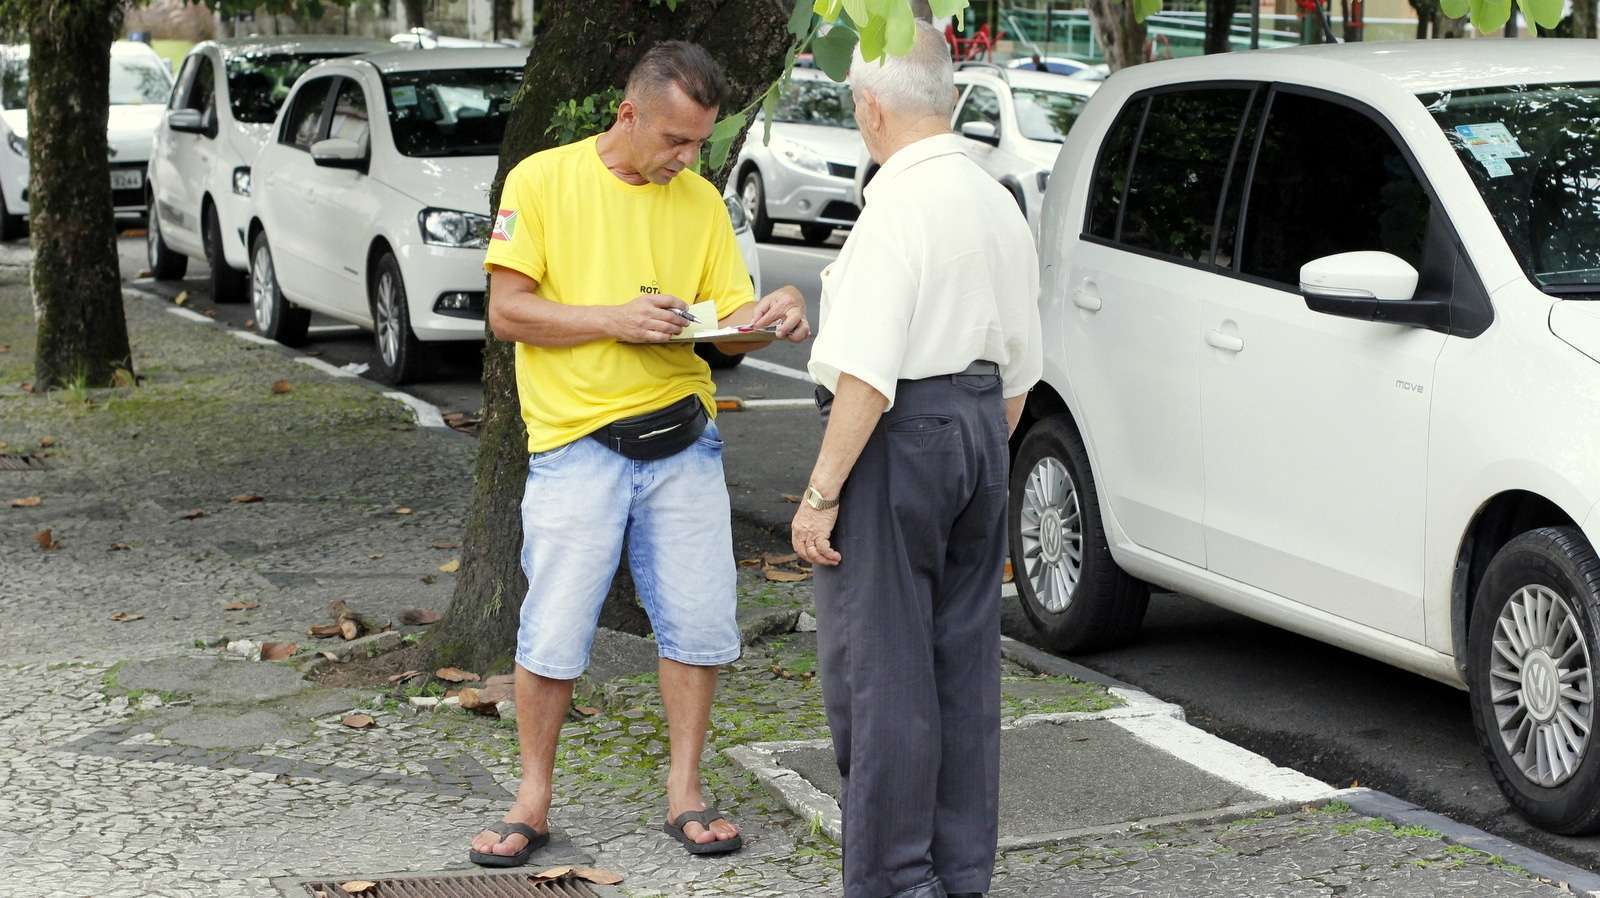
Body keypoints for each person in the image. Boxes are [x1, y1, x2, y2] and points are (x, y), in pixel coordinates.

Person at [470, 40, 812, 867]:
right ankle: (531, 799)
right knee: (552, 631)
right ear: (629, 115)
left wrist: (771, 313)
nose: (689, 159)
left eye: (699, 142)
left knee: (699, 625)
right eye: (675, 140)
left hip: (682, 442)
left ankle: (686, 792)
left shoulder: (699, 202)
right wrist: (612, 319)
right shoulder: (542, 181)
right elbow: (507, 313)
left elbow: (726, 323)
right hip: (577, 444)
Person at [791, 21, 1041, 898]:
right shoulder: (996, 198)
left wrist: (820, 493)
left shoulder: (897, 204)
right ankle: (959, 874)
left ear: (869, 108)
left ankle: (897, 882)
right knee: (963, 665)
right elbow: (1020, 371)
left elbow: (866, 373)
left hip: (899, 430)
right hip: (983, 422)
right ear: (949, 97)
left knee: (881, 670)